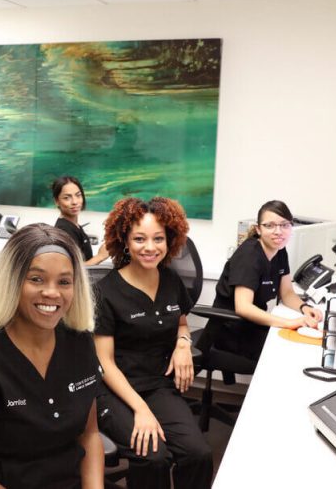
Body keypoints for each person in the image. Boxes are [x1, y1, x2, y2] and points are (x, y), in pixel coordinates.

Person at [0, 223, 104, 489]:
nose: (52, 292)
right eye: (36, 279)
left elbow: (90, 435)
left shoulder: (80, 342)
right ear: (12, 281)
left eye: (64, 282)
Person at [93, 197, 212, 489]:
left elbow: (181, 322)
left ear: (170, 240)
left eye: (158, 238)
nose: (150, 247)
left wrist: (183, 344)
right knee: (154, 456)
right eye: (139, 239)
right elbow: (104, 363)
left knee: (199, 454)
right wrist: (141, 410)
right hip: (115, 390)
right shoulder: (105, 292)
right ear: (124, 241)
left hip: (158, 385)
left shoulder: (171, 281)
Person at [211, 200, 324, 362]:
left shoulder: (279, 250)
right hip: (231, 331)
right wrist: (288, 322)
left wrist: (304, 308)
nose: (278, 231)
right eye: (269, 225)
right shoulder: (249, 256)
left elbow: (287, 293)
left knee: (300, 345)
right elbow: (243, 307)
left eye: (285, 225)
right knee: (288, 353)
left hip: (254, 326)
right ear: (258, 229)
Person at [51, 176, 109, 266]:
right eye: (67, 198)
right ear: (56, 201)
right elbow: (71, 270)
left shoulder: (74, 225)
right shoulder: (64, 230)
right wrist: (100, 257)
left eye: (78, 195)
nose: (74, 202)